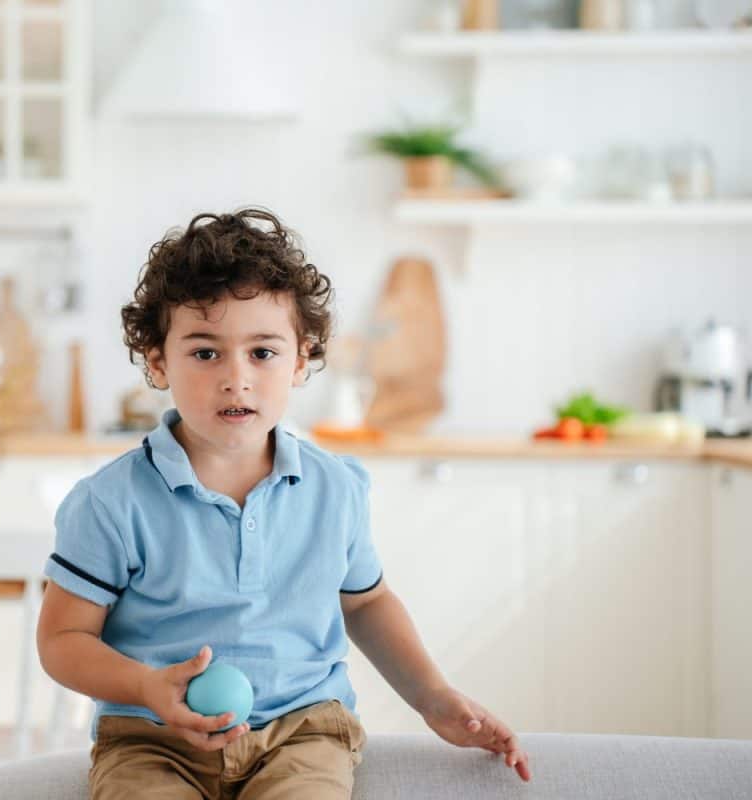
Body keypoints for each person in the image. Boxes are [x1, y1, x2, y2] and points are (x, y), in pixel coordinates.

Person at [36, 208, 532, 798]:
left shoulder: (335, 489)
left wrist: (432, 696)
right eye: (205, 352)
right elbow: (62, 641)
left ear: (301, 360)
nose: (236, 377)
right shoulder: (110, 502)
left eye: (263, 352)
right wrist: (146, 688)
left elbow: (368, 603)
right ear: (157, 360)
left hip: (303, 733)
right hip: (152, 740)